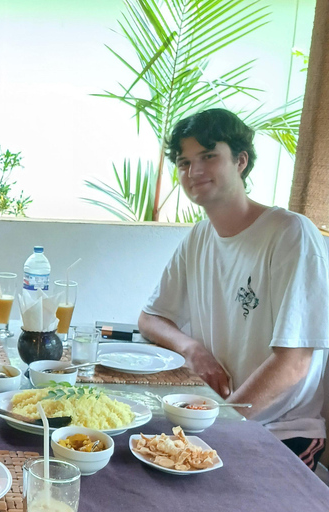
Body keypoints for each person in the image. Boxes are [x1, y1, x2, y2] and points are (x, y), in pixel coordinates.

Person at [139, 108, 329, 470]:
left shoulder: (291, 234)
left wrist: (223, 424)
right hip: (216, 420)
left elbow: (294, 363)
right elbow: (150, 318)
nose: (194, 172)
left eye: (208, 156)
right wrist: (192, 349)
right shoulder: (200, 235)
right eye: (184, 162)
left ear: (241, 161)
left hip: (280, 432)